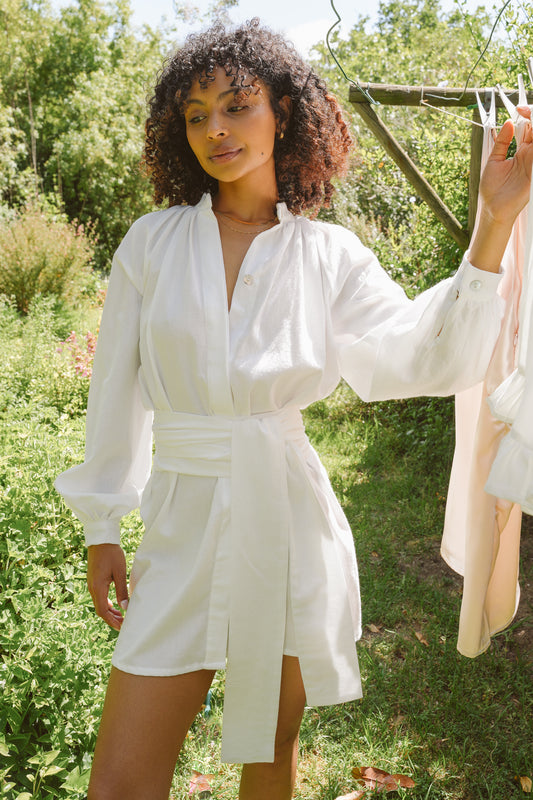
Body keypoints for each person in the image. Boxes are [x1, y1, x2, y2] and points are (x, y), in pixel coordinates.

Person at [55, 18, 533, 800]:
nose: (216, 128)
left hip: (289, 517)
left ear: (284, 112)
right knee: (120, 780)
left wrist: (495, 223)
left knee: (269, 745)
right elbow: (117, 389)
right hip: (179, 521)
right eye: (196, 114)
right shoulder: (151, 244)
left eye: (236, 105)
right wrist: (102, 524)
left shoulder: (328, 254)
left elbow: (425, 355)